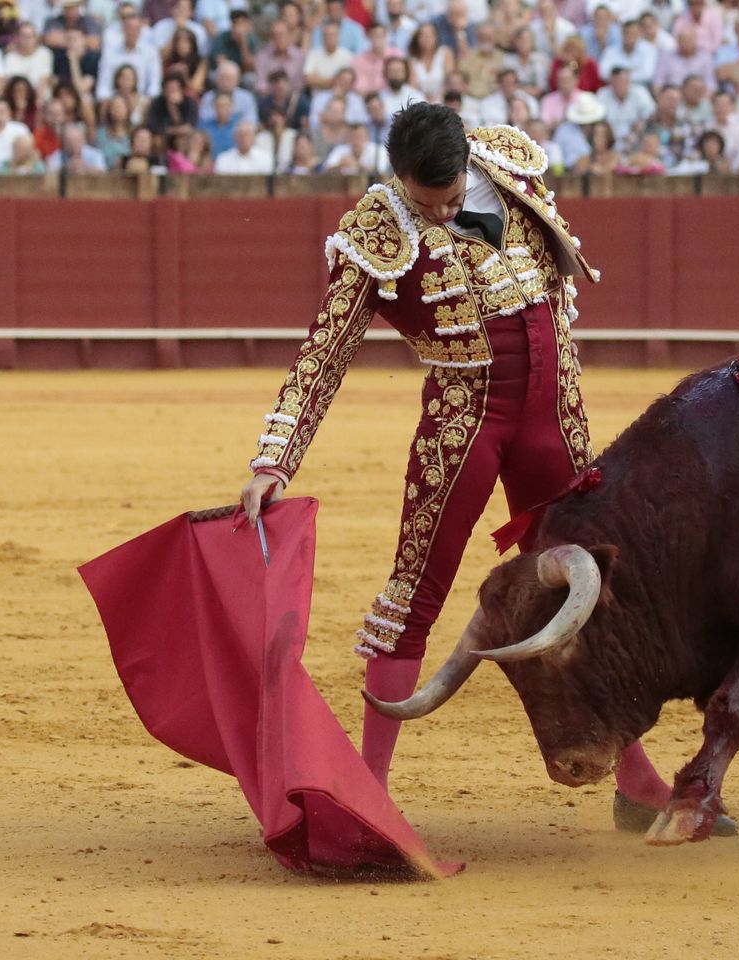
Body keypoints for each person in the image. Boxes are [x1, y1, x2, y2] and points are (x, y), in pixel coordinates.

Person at [236, 103, 713, 837]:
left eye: (454, 196)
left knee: (587, 594)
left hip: (556, 421)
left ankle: (639, 783)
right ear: (399, 180)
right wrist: (275, 458)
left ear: (467, 160)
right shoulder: (378, 229)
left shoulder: (510, 167)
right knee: (413, 596)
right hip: (465, 429)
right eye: (430, 205)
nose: (447, 211)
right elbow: (323, 354)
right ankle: (370, 794)